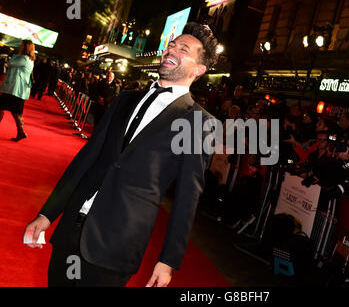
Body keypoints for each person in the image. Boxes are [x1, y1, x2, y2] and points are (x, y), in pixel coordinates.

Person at [23, 22, 219, 287]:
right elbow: (86, 158)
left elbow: (187, 197)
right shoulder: (126, 98)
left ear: (199, 69)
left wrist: (169, 261)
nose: (172, 50)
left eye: (184, 49)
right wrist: (47, 213)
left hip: (117, 245)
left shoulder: (198, 122)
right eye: (172, 45)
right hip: (72, 228)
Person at [0, 39, 35, 141]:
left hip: (14, 89)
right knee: (16, 112)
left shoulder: (23, 58)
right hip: (18, 89)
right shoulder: (29, 58)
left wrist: (9, 55)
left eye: (22, 45)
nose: (20, 46)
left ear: (25, 47)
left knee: (4, 108)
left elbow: (9, 63)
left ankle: (21, 132)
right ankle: (21, 132)